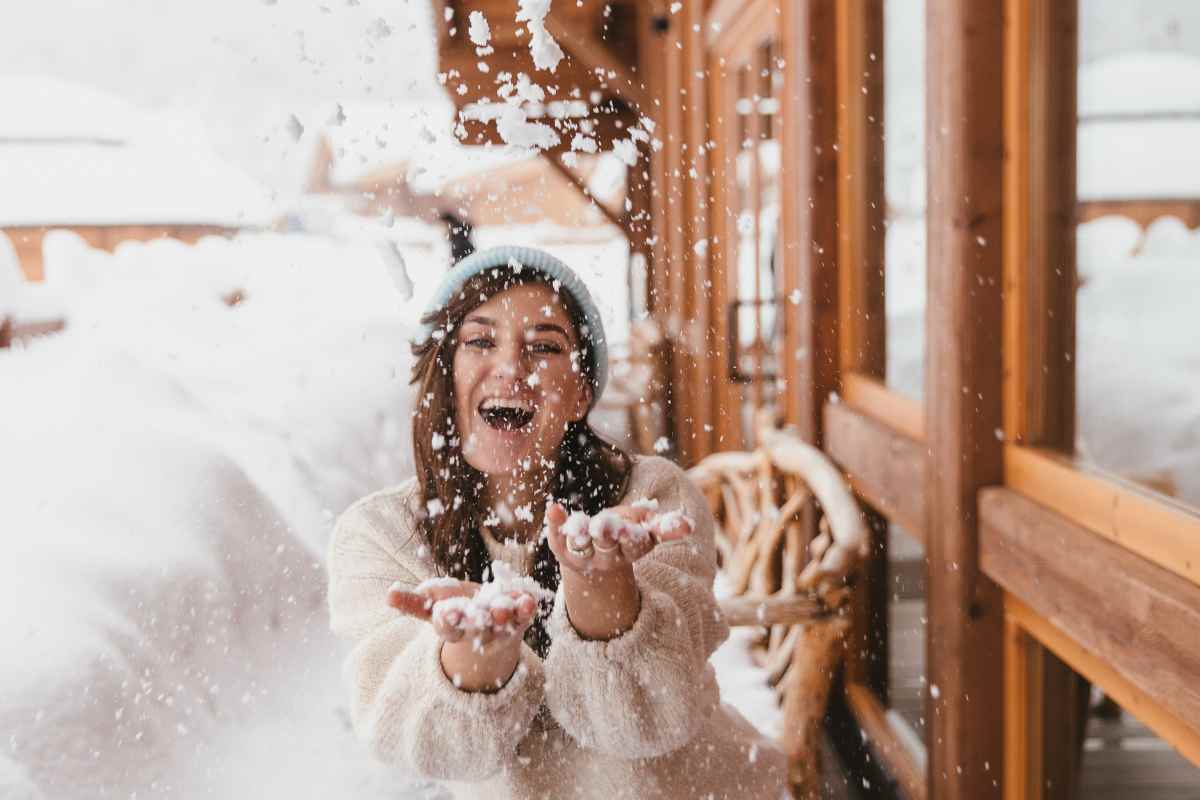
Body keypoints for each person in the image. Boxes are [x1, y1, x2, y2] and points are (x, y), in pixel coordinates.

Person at [326, 246, 786, 799]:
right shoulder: (381, 535)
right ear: (444, 376)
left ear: (581, 395)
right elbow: (427, 748)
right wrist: (475, 655)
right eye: (479, 341)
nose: (510, 368)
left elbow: (647, 725)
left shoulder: (650, 497)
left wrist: (600, 588)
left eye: (544, 346)